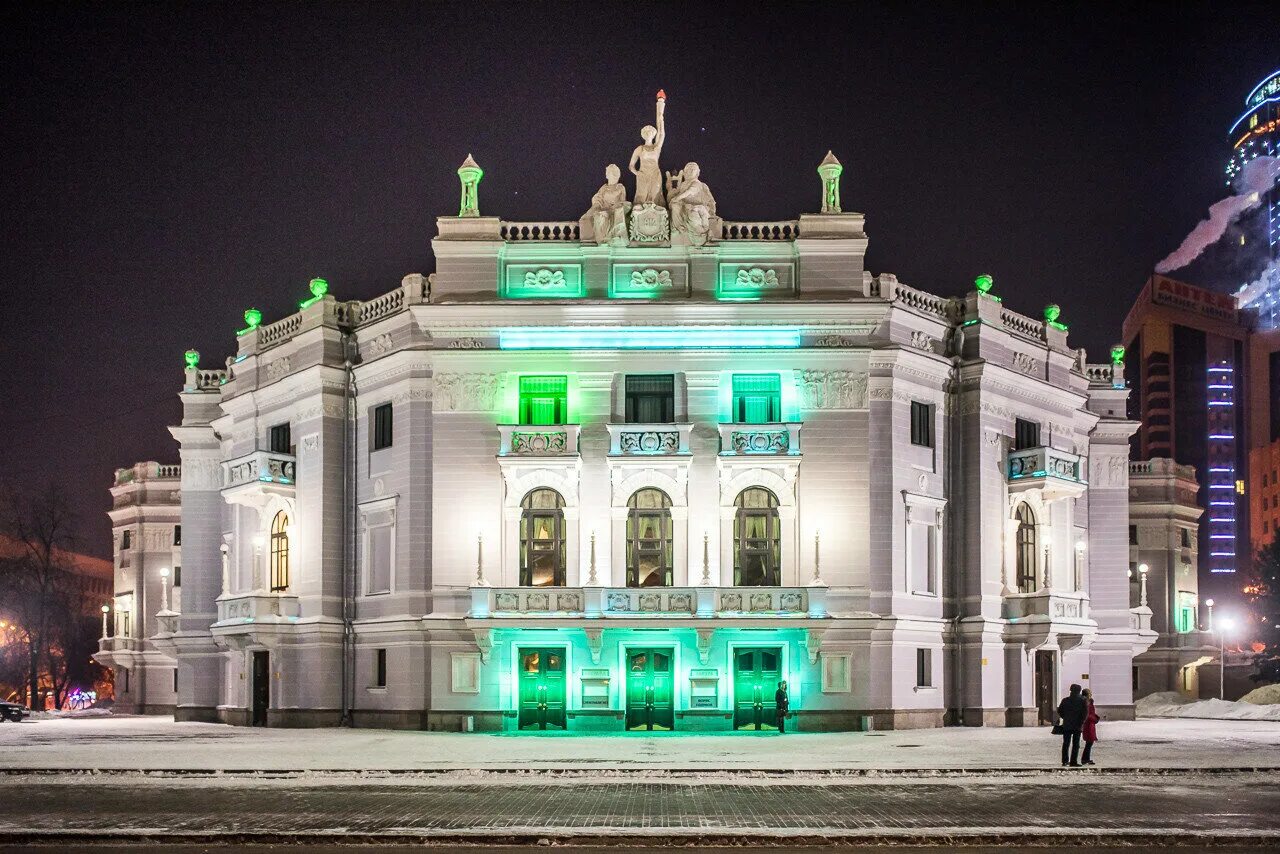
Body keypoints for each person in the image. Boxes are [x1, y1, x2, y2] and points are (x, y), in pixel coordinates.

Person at [1056, 683, 1088, 767]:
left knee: (1066, 743)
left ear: (1071, 690)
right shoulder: (1083, 700)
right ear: (1079, 691)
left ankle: (1065, 761)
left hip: (1067, 724)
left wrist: (1065, 717)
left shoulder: (1065, 700)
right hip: (1078, 725)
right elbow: (1085, 713)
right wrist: (1082, 721)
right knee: (1076, 744)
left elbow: (1060, 711)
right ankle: (1073, 761)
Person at [1081, 688, 1100, 766]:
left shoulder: (1088, 702)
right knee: (1089, 742)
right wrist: (1095, 718)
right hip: (1088, 725)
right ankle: (1085, 759)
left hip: (1090, 725)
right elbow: (1088, 715)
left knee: (1089, 742)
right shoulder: (1087, 703)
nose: (1091, 694)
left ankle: (1086, 758)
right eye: (1090, 693)